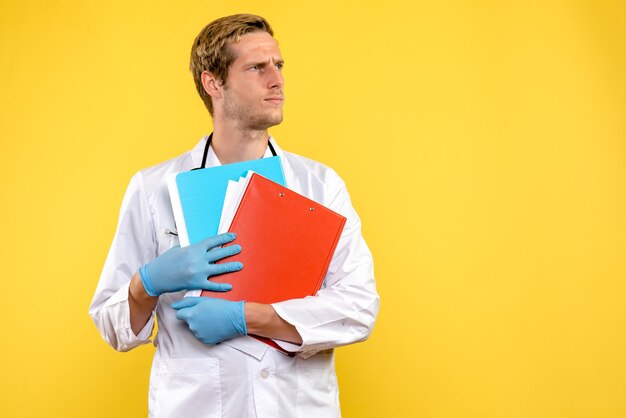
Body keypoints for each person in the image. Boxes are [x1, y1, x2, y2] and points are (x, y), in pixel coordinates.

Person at [89, 14, 379, 418]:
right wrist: (148, 282)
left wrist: (247, 317)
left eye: (278, 66)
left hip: (295, 407)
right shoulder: (153, 189)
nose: (276, 80)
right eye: (257, 67)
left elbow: (358, 308)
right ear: (213, 83)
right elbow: (111, 324)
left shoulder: (319, 185)